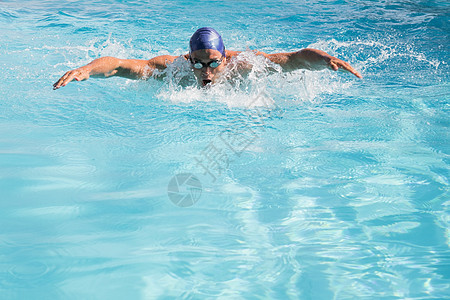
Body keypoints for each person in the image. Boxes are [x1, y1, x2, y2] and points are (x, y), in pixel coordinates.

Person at [53, 27, 362, 90]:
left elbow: (292, 59)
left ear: (225, 58)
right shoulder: (176, 68)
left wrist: (324, 59)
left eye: (213, 62)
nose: (205, 70)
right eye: (197, 62)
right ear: (188, 57)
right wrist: (87, 69)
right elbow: (122, 65)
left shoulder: (243, 64)